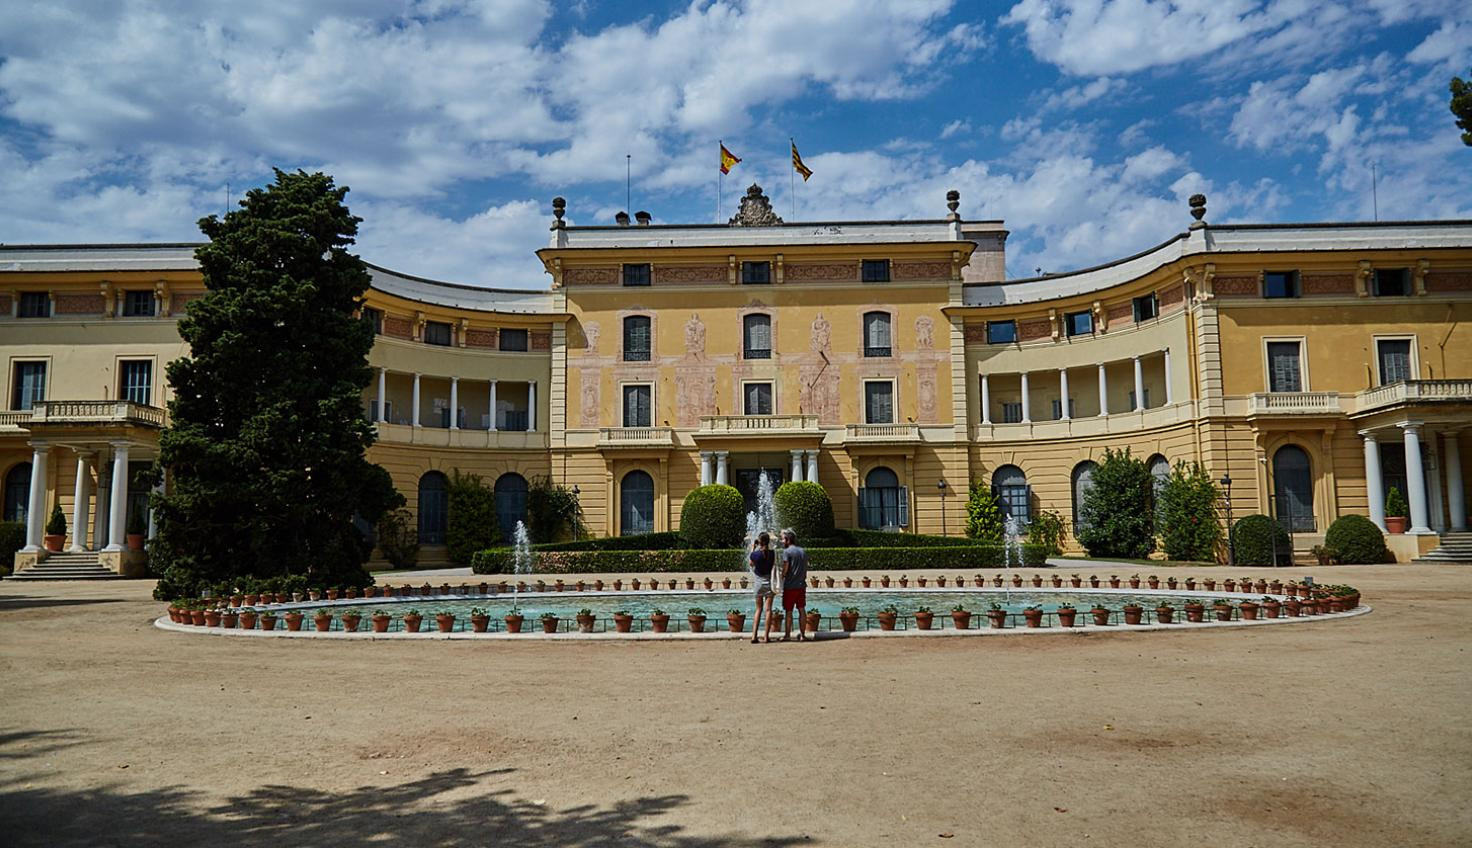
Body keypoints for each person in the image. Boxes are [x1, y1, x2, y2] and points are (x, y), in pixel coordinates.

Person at [778, 528, 809, 642]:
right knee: (802, 609)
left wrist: (781, 577)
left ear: (788, 540)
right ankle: (803, 635)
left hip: (790, 586)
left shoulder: (787, 552)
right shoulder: (802, 551)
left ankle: (787, 635)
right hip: (801, 585)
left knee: (789, 611)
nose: (782, 541)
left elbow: (785, 568)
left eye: (783, 539)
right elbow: (805, 568)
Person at [748, 532, 776, 643]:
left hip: (758, 583)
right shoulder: (772, 553)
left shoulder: (755, 554)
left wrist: (753, 548)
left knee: (758, 609)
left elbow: (751, 563)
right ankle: (766, 636)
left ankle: (754, 636)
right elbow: (773, 565)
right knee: (768, 610)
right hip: (769, 582)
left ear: (759, 542)